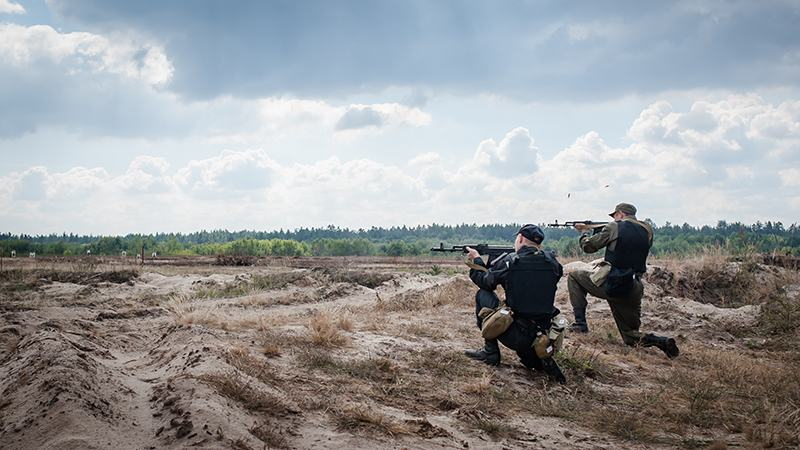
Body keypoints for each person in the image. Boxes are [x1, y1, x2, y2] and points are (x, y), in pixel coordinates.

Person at [567, 203, 679, 358]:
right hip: (634, 286)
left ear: (620, 214)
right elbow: (626, 243)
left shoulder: (614, 227)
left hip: (613, 283)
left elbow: (589, 247)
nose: (614, 219)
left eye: (614, 216)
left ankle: (580, 324)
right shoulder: (647, 230)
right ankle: (661, 341)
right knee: (630, 336)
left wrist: (584, 234)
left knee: (574, 277)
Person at [463, 224, 567, 383]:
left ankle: (490, 352)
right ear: (539, 244)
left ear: (520, 238)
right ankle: (541, 357)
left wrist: (477, 260)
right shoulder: (553, 263)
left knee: (483, 295)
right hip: (544, 335)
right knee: (533, 363)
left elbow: (485, 283)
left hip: (516, 334)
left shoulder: (511, 262)